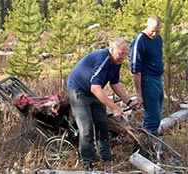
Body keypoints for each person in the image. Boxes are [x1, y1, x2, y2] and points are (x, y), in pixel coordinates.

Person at [67, 37, 137, 170]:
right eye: (121, 53)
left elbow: (114, 83)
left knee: (102, 125)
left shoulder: (116, 62)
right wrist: (115, 108)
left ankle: (106, 160)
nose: (123, 57)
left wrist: (128, 101)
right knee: (87, 128)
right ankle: (88, 163)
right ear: (111, 49)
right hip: (79, 91)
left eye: (126, 54)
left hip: (94, 92)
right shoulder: (103, 59)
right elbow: (95, 88)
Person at [130, 15, 164, 136]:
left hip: (158, 79)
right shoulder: (140, 40)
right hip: (147, 81)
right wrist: (139, 94)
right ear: (146, 26)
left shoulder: (159, 39)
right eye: (152, 31)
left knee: (158, 114)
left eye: (158, 31)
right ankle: (145, 149)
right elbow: (135, 70)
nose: (155, 34)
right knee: (152, 119)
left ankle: (153, 144)